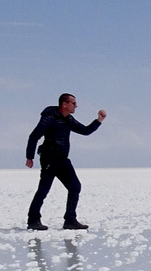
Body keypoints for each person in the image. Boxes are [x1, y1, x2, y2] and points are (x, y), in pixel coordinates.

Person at [25, 94, 106, 230]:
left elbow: (85, 131)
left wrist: (99, 120)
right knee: (43, 190)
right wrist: (29, 157)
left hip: (62, 159)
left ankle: (70, 220)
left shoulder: (68, 119)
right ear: (64, 104)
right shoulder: (49, 118)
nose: (76, 106)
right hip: (49, 159)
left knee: (75, 186)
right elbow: (33, 136)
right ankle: (33, 220)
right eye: (73, 103)